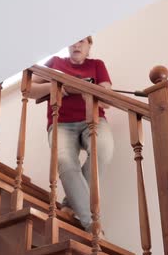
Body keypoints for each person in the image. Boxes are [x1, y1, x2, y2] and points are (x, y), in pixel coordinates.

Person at [28, 36, 114, 235]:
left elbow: (107, 100)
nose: (76, 44)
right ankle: (93, 226)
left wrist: (88, 92)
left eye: (82, 41)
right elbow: (29, 89)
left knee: (103, 151)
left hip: (93, 120)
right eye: (73, 40)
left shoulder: (97, 65)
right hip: (61, 124)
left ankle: (70, 205)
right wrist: (59, 88)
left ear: (89, 45)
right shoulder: (55, 63)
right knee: (65, 162)